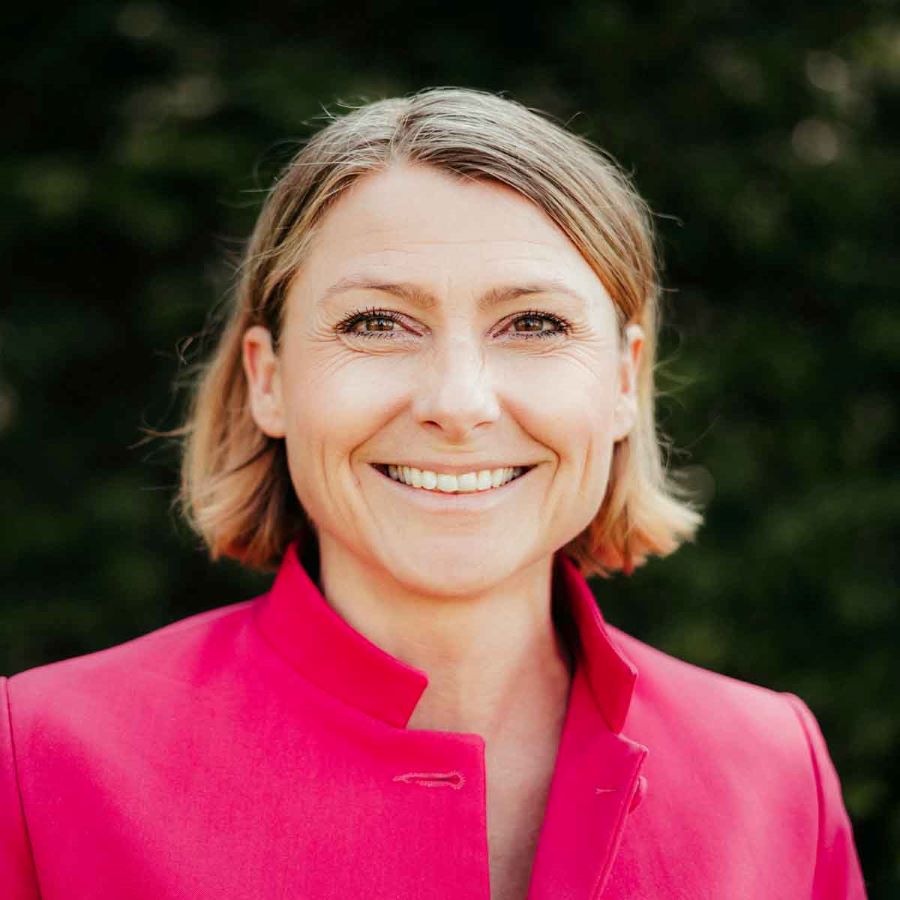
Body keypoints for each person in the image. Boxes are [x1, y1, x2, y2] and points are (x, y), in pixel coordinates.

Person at [0, 87, 866, 899]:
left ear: (623, 381)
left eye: (535, 324)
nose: (458, 403)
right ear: (269, 380)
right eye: (376, 323)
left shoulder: (773, 768)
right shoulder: (41, 760)